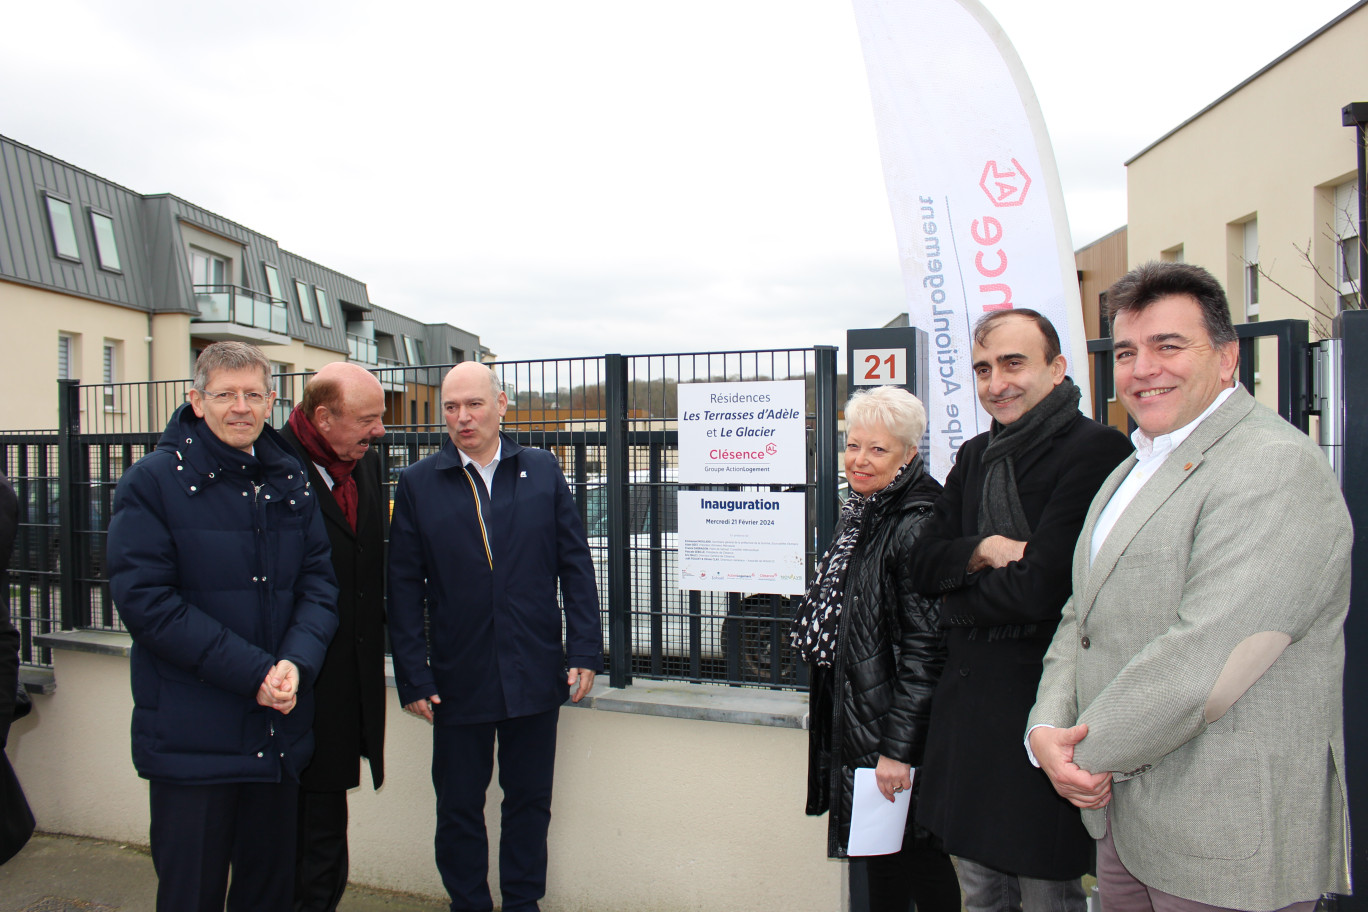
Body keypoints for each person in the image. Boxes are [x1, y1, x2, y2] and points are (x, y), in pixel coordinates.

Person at [1027, 262, 1353, 912]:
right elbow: (1080, 618)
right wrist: (1043, 730)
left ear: (1227, 358)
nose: (1143, 368)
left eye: (1168, 346)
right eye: (1127, 352)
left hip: (1226, 838)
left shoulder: (1273, 465)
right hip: (1130, 823)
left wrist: (1078, 753)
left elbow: (1211, 657)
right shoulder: (1131, 469)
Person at [907, 309, 1133, 912]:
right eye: (983, 369)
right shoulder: (977, 454)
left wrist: (955, 595)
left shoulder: (1096, 449)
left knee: (1047, 897)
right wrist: (982, 550)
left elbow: (1044, 590)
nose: (996, 382)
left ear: (1056, 369)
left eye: (1013, 363)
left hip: (1041, 719)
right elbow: (921, 565)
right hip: (970, 722)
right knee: (979, 894)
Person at [107, 341, 339, 912]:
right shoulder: (150, 483)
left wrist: (295, 663)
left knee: (269, 895)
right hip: (194, 743)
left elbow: (319, 586)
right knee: (192, 895)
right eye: (225, 394)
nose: (241, 407)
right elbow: (147, 604)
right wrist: (256, 672)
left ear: (271, 401)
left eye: (253, 394)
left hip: (276, 737)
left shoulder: (290, 480)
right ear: (196, 400)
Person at [388, 361, 602, 912]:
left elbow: (575, 565)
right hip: (457, 679)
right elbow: (403, 587)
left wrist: (583, 650)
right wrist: (413, 674)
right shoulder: (417, 484)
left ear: (501, 405)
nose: (463, 418)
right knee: (458, 807)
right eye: (452, 408)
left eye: (474, 404)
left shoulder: (542, 470)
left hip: (534, 671)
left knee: (530, 802)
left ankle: (523, 903)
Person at [790, 386, 960, 912]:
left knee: (917, 864)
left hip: (892, 736)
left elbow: (925, 649)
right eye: (853, 445)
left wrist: (897, 751)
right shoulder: (862, 511)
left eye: (878, 449)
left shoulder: (916, 521)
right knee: (882, 862)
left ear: (909, 454)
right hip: (865, 721)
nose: (859, 460)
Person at [279, 362, 388, 912]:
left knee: (325, 835)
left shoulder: (362, 464)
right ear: (323, 418)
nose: (380, 432)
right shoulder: (271, 467)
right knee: (284, 843)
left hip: (347, 690)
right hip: (289, 688)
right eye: (368, 420)